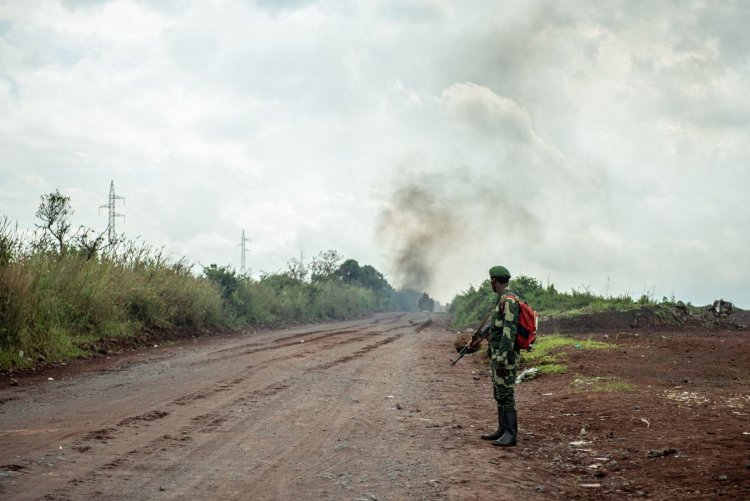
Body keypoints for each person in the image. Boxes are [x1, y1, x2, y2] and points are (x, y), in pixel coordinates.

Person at [480, 265, 520, 447]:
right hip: (498, 355)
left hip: (505, 356)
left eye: (491, 280)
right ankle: (502, 429)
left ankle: (510, 434)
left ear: (494, 280)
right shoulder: (501, 299)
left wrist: (503, 357)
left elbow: (508, 332)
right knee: (499, 392)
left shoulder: (509, 300)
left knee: (506, 392)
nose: (491, 283)